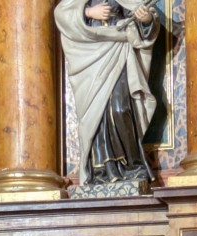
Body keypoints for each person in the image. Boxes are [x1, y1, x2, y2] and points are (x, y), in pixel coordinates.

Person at [54, 0, 159, 188]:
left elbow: (144, 17)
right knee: (97, 115)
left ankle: (132, 166)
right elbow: (62, 14)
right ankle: (101, 170)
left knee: (120, 109)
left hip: (119, 50)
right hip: (90, 57)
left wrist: (147, 19)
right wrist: (87, 12)